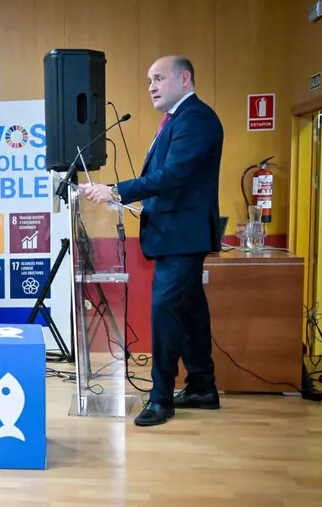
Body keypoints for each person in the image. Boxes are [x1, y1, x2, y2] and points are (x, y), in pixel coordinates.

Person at [79, 55, 223, 427]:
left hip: (182, 237)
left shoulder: (196, 119)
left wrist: (116, 191)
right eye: (148, 81)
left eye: (158, 78)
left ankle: (161, 399)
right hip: (173, 234)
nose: (152, 87)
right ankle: (202, 386)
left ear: (185, 79)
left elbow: (174, 175)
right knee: (190, 312)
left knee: (165, 314)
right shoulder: (177, 120)